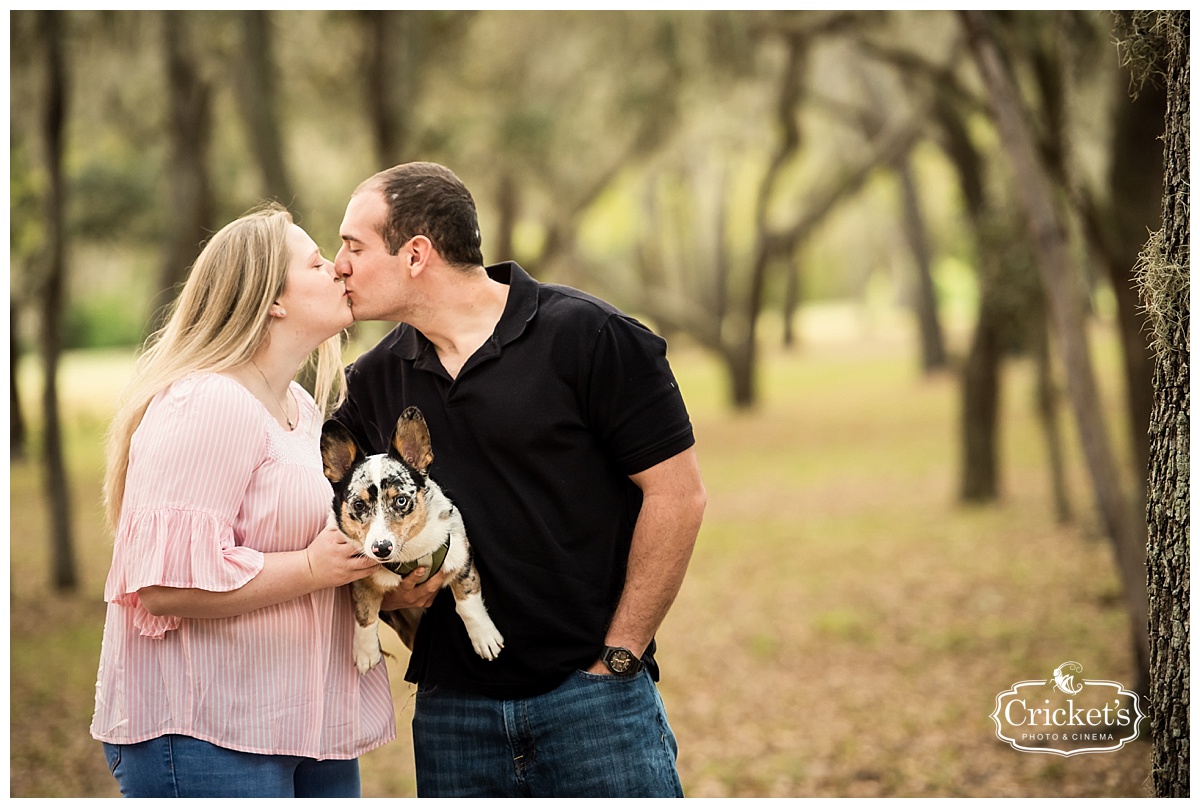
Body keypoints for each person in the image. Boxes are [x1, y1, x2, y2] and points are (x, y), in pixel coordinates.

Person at [330, 161, 707, 797]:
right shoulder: (372, 380)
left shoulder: (591, 337)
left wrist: (617, 657)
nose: (338, 263)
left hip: (593, 702)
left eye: (353, 246)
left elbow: (678, 494)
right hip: (453, 714)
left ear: (416, 254)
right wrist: (389, 596)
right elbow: (335, 515)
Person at [90, 203, 411, 798]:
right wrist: (313, 568)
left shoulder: (301, 408)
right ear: (272, 300)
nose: (340, 270)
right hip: (208, 733)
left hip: (303, 727)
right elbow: (163, 588)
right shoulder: (205, 403)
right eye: (318, 263)